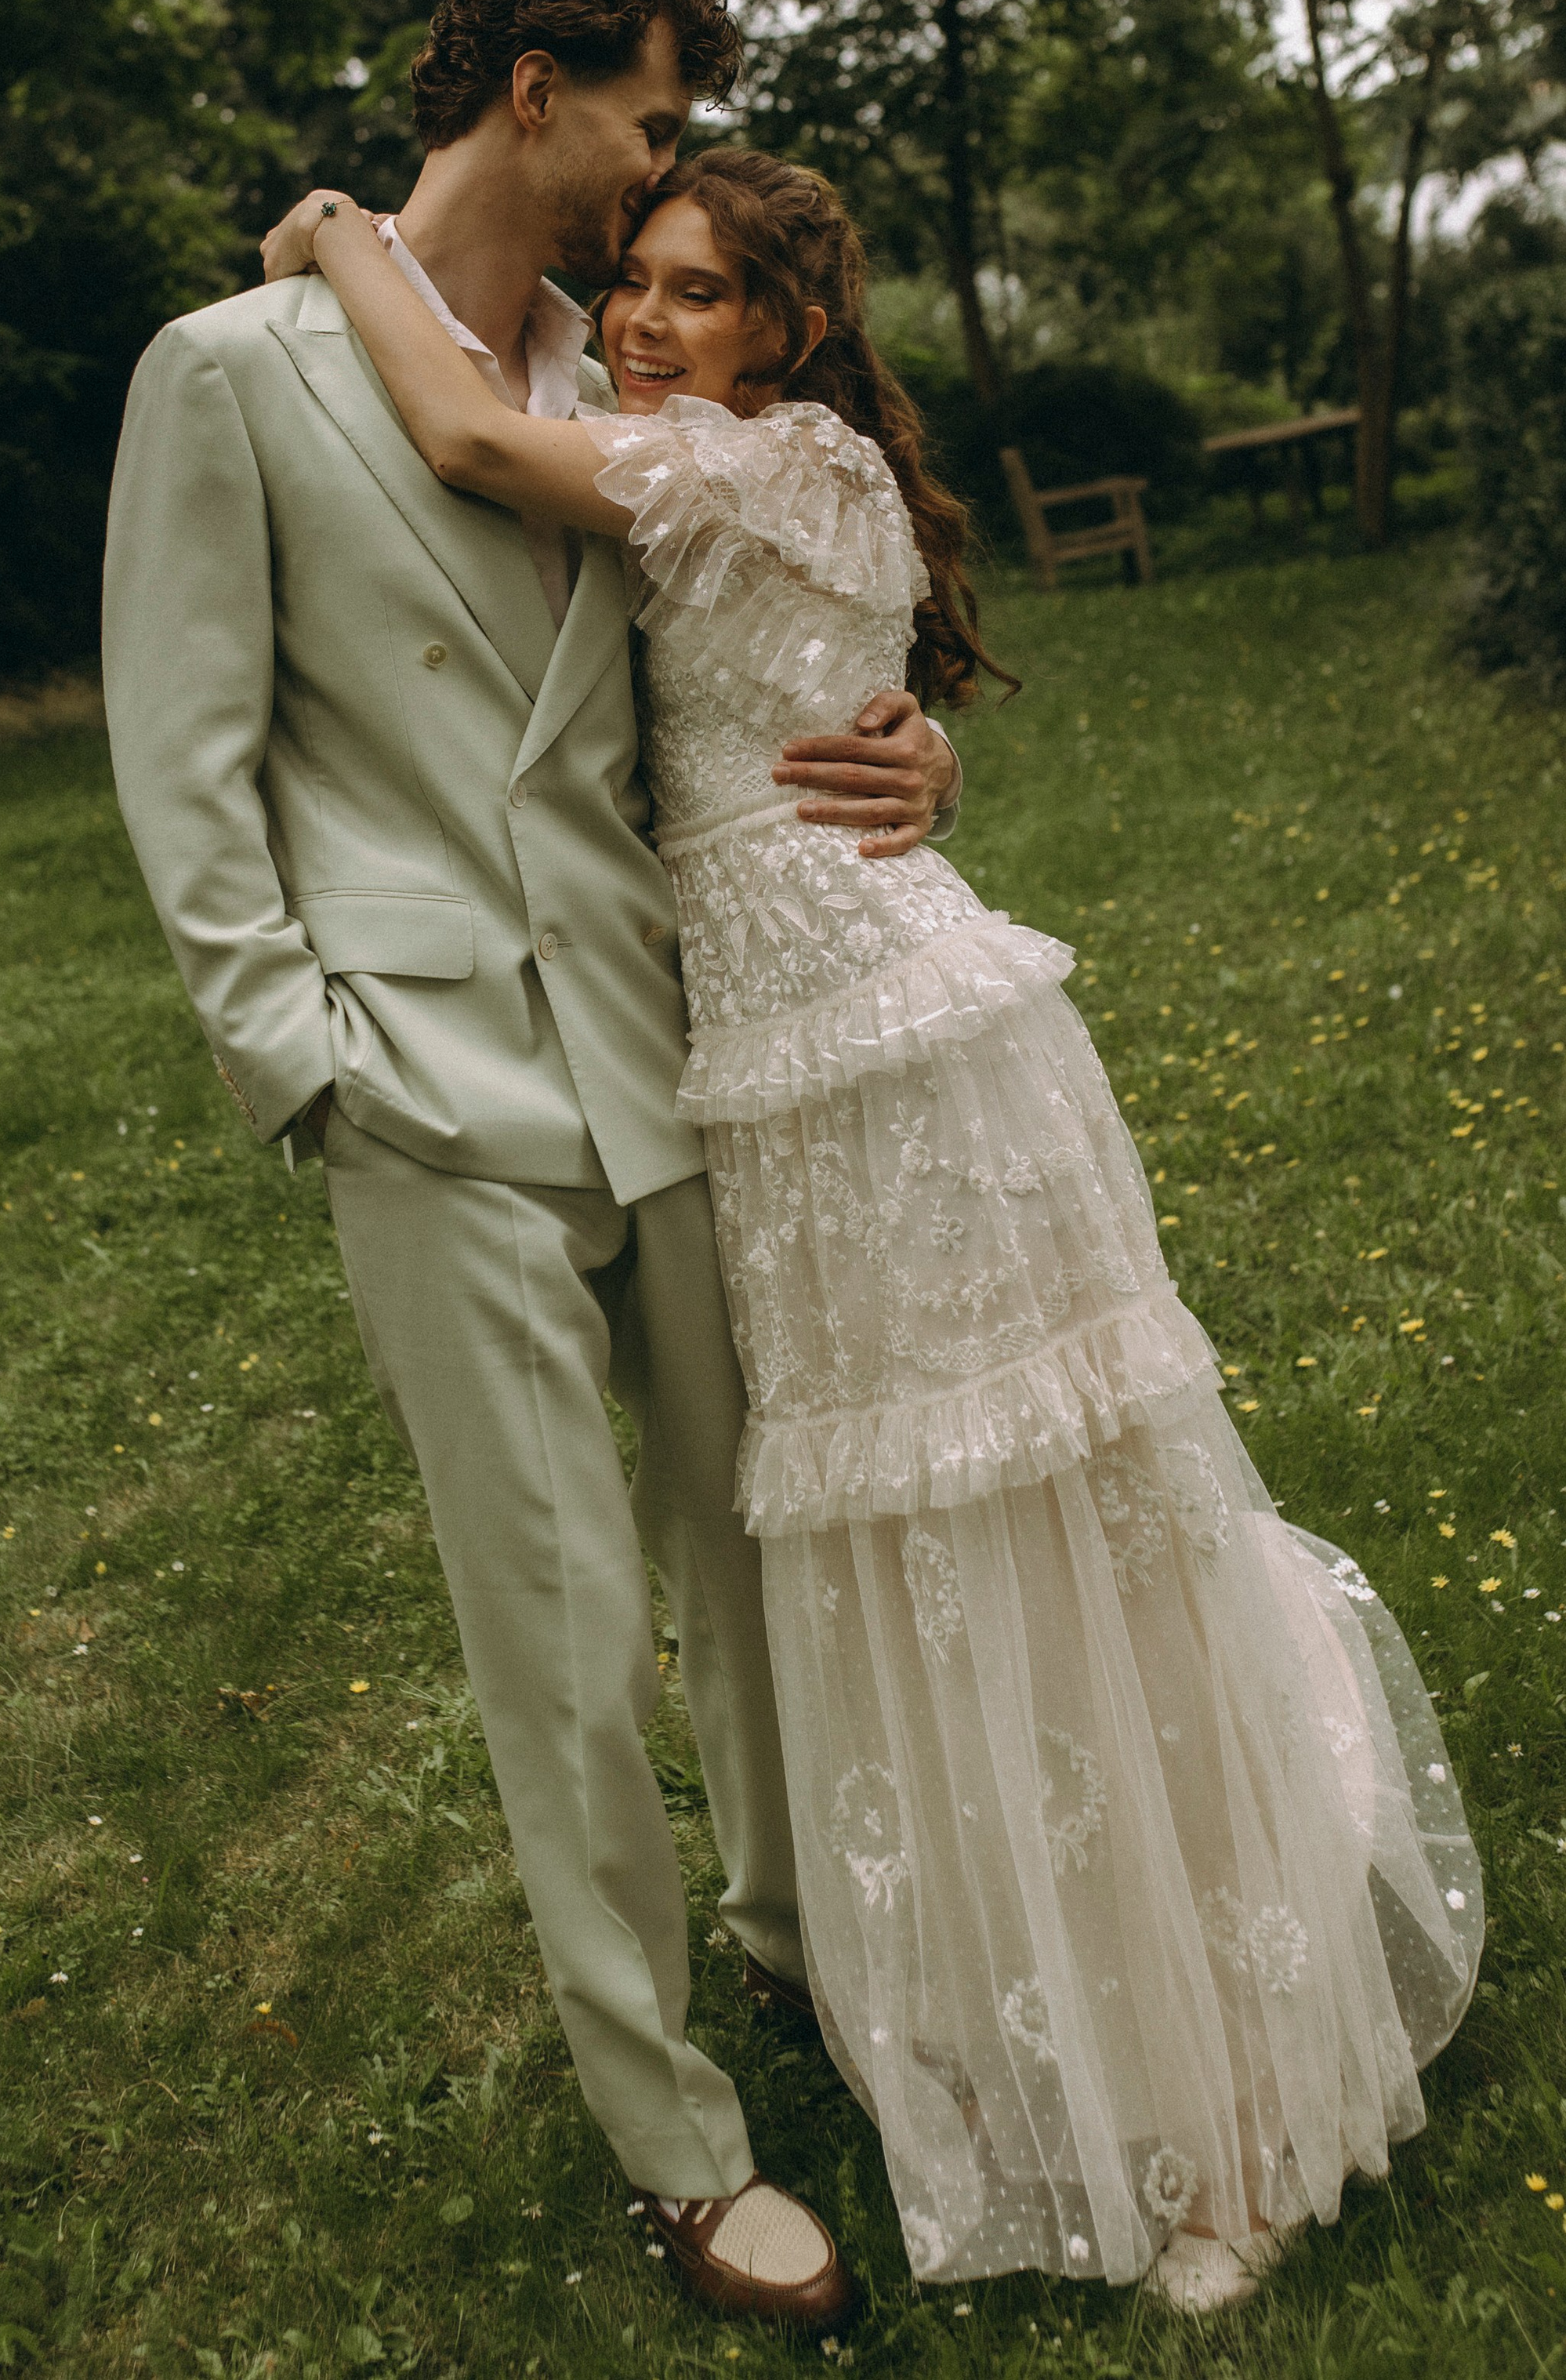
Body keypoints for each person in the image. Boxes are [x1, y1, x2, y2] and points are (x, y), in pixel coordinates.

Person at [256, 140, 1484, 2316]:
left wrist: (335, 230)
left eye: (699, 292)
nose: (642, 323)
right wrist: (898, 745)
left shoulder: (784, 462)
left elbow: (454, 423)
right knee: (894, 1544)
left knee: (1049, 1516)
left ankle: (1241, 2107)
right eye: (632, 281)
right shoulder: (681, 447)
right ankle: (1026, 2004)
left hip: (916, 1064)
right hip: (765, 1089)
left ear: (794, 329)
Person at [103, 0, 967, 2335]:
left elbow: (774, 656)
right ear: (533, 91)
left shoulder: (651, 371)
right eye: (654, 121)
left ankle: (814, 1959)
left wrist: (921, 751)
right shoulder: (237, 375)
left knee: (761, 1551)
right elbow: (185, 774)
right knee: (565, 1637)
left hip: (669, 1046)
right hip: (424, 1087)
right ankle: (678, 2142)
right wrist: (311, 1067)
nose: (668, 172)